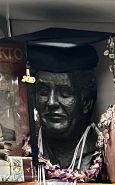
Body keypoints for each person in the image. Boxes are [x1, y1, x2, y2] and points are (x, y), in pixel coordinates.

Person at [30, 43, 99, 174]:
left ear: (86, 102)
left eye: (65, 93)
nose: (51, 103)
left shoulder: (98, 152)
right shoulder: (28, 150)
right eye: (43, 92)